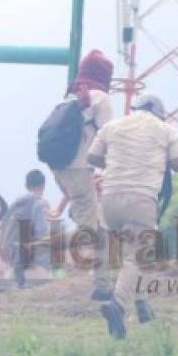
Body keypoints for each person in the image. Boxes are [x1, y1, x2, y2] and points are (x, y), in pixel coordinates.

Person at [88, 93, 178, 338]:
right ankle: (118, 304)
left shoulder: (112, 126)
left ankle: (143, 306)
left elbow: (92, 157)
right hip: (141, 199)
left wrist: (115, 161)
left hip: (110, 200)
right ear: (158, 112)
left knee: (130, 255)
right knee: (137, 257)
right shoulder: (165, 130)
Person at [52, 50, 115, 300]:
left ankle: (102, 287)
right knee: (93, 232)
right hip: (80, 171)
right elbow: (107, 139)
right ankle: (39, 247)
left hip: (59, 170)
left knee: (96, 228)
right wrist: (106, 173)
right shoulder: (101, 99)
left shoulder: (70, 95)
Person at [0, 170, 52, 288]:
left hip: (15, 263)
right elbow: (42, 233)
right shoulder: (41, 204)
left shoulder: (15, 204)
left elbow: (5, 225)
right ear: (43, 185)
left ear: (26, 186)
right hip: (36, 264)